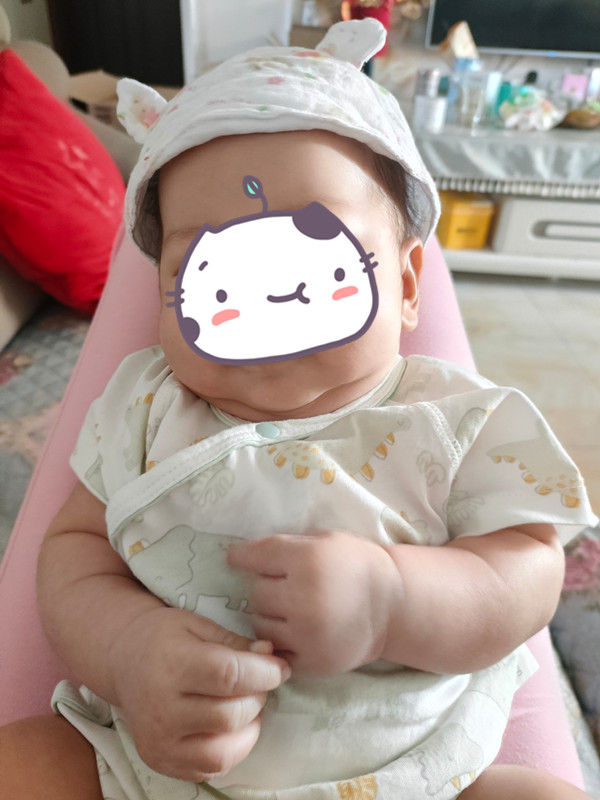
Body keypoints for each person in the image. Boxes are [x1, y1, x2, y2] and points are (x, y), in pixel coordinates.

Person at [1, 19, 597, 800]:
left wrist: (393, 600)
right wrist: (127, 648)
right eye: (211, 272)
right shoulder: (144, 403)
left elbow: (527, 572)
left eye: (308, 260)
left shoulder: (451, 418)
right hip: (152, 768)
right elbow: (74, 550)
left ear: (407, 284)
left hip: (416, 774)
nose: (264, 302)